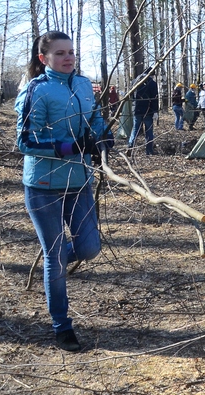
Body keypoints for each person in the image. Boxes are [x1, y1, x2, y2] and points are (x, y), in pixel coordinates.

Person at [15, 31, 113, 351]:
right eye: (60, 53)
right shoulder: (36, 91)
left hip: (79, 181)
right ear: (44, 59)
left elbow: (94, 120)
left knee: (88, 247)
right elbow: (25, 142)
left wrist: (102, 137)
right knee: (56, 257)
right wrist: (70, 146)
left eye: (71, 52)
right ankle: (62, 325)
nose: (68, 57)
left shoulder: (84, 85)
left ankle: (51, 268)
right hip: (43, 186)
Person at [127, 67, 159, 156]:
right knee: (149, 131)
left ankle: (130, 146)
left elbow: (131, 96)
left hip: (136, 110)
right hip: (148, 111)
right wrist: (155, 111)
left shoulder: (134, 81)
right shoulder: (152, 83)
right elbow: (154, 98)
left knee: (135, 130)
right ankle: (149, 151)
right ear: (151, 74)